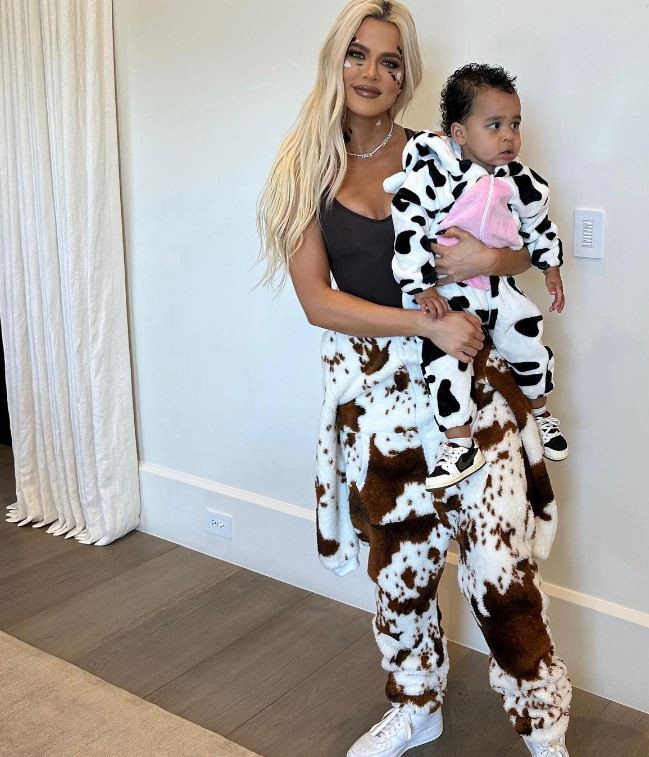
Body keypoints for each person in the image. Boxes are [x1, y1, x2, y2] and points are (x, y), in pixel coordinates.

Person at [256, 2, 572, 756]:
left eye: (390, 61)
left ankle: (544, 726)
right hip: (381, 404)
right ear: (335, 61)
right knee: (400, 571)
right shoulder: (304, 169)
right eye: (358, 54)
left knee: (501, 571)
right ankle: (416, 705)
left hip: (473, 388)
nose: (372, 72)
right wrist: (424, 325)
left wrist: (486, 260)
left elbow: (520, 238)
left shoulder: (442, 151)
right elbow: (317, 302)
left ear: (406, 78)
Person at [384, 63, 569, 491]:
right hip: (450, 293)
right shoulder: (434, 174)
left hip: (499, 288)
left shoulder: (520, 180)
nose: (509, 137)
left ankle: (541, 412)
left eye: (515, 124)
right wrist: (420, 285)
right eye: (495, 125)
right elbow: (408, 222)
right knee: (445, 359)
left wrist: (551, 266)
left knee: (527, 336)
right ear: (460, 132)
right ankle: (459, 443)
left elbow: (539, 225)